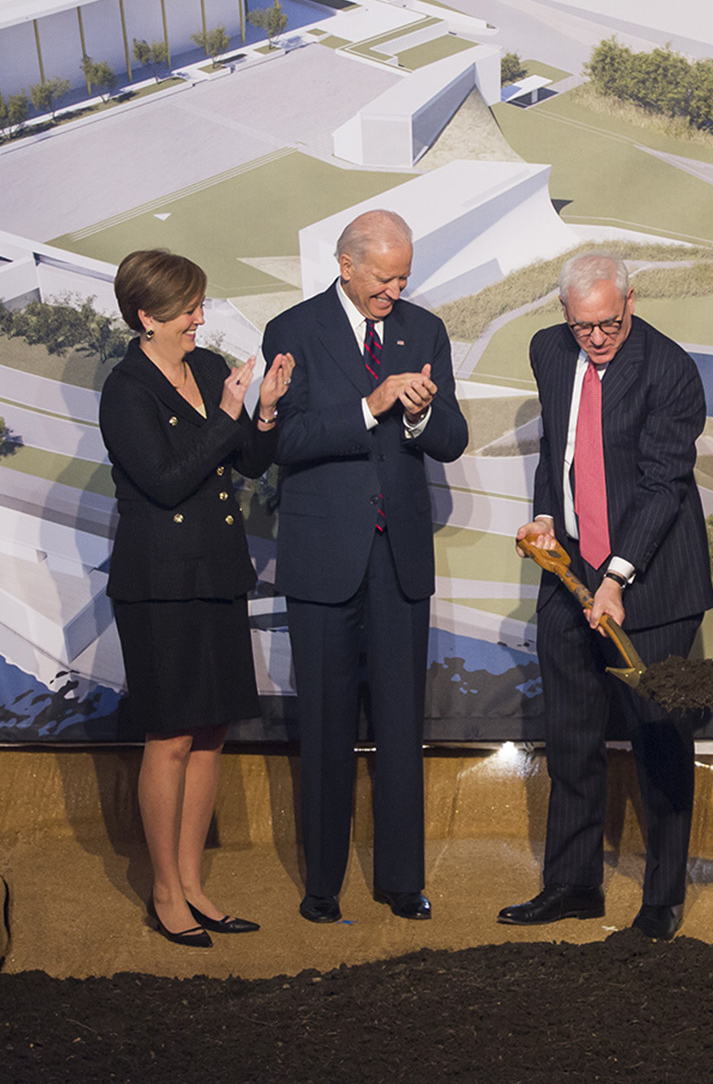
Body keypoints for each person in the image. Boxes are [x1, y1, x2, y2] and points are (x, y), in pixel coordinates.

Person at [499, 252, 713, 941]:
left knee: (657, 737)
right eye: (582, 325)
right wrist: (542, 516)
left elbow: (662, 485)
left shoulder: (669, 369)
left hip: (650, 580)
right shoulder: (547, 350)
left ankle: (661, 897)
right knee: (569, 734)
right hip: (567, 573)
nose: (595, 337)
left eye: (608, 323)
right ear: (563, 315)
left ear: (630, 301)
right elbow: (558, 453)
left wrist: (615, 578)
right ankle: (571, 883)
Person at [261, 210, 468, 923]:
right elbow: (284, 437)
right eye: (384, 277)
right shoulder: (292, 330)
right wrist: (370, 404)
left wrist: (416, 416)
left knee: (401, 726)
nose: (394, 289)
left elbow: (452, 435)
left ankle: (400, 880)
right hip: (324, 560)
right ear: (345, 265)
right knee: (323, 728)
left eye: (403, 276)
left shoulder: (424, 330)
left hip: (399, 560)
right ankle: (322, 886)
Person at [100, 248, 293, 948]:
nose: (199, 318)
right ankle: (162, 889)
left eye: (200, 305)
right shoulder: (125, 390)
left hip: (215, 569)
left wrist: (262, 413)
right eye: (187, 309)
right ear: (146, 315)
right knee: (172, 734)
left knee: (210, 731)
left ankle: (193, 883)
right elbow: (166, 480)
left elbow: (246, 462)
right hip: (158, 583)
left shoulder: (207, 369)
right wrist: (229, 415)